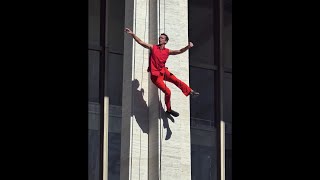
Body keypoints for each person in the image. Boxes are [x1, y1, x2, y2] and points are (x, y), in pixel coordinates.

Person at [124, 28, 199, 117]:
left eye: (162, 38)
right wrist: (132, 34)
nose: (160, 39)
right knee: (168, 92)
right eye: (160, 37)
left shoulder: (167, 51)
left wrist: (188, 47)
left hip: (163, 71)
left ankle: (190, 91)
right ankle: (169, 109)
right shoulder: (153, 47)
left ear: (166, 41)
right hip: (156, 76)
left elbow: (179, 51)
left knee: (176, 80)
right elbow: (141, 42)